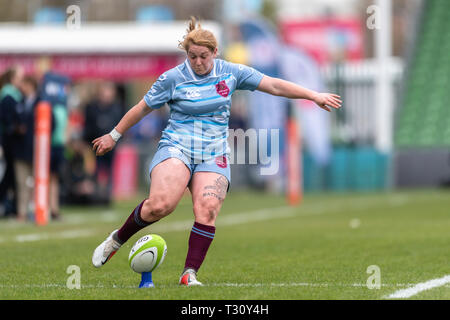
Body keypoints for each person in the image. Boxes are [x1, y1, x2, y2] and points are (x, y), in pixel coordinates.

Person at [91, 17, 342, 286]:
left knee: (208, 209)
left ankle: (189, 274)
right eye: (192, 56)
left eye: (203, 56)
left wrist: (313, 95)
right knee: (160, 206)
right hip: (177, 147)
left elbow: (274, 85)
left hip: (214, 153)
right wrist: (114, 135)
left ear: (215, 53)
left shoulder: (231, 73)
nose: (197, 62)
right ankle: (117, 239)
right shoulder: (172, 78)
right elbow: (142, 108)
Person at [83, 81, 123, 204]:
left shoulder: (116, 108)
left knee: (109, 171)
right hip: (94, 145)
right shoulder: (92, 107)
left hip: (112, 146)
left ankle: (107, 197)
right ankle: (95, 197)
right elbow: (87, 127)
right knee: (94, 171)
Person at [12, 75, 39, 221]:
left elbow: (50, 123)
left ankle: (36, 210)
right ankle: (21, 213)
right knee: (21, 182)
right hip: (21, 149)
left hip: (37, 149)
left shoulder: (41, 102)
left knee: (37, 182)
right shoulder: (19, 101)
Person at [0, 65, 24, 218]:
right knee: (10, 174)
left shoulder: (13, 94)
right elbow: (6, 119)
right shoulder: (8, 95)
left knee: (10, 174)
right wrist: (17, 128)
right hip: (9, 141)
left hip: (11, 140)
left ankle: (11, 206)